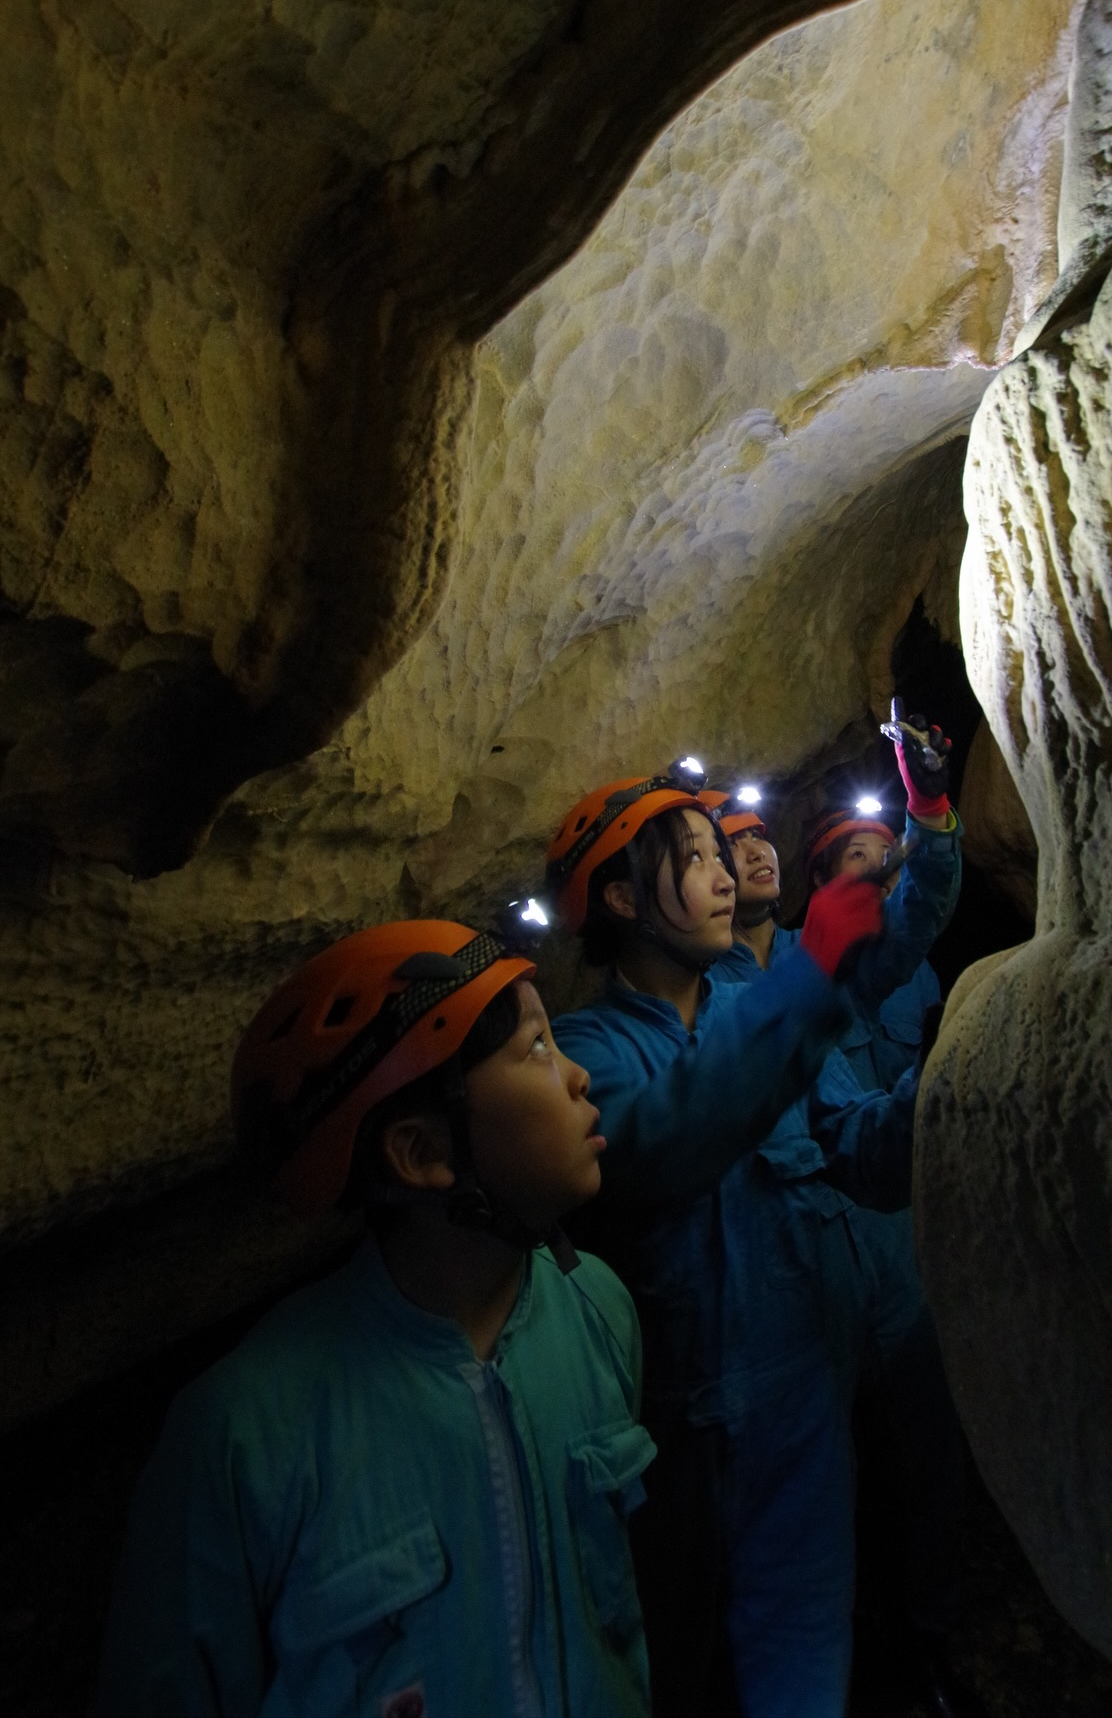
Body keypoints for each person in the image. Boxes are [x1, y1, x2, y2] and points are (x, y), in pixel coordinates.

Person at [99, 918, 655, 1718]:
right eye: (536, 1048)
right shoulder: (243, 1434)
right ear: (423, 1152)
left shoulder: (596, 1309)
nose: (578, 1078)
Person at [545, 766, 914, 1718]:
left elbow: (851, 1148)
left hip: (799, 1398)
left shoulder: (758, 1008)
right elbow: (673, 1135)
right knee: (679, 1673)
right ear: (624, 898)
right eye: (693, 859)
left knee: (804, 1663)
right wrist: (810, 977)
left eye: (720, 855)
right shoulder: (585, 1056)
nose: (721, 875)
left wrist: (948, 1098)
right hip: (672, 1443)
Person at [714, 717, 973, 1718]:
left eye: (751, 837)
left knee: (924, 1471)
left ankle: (926, 1649)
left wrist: (933, 812)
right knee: (808, 1525)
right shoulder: (715, 1007)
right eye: (715, 846)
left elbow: (911, 917)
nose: (749, 854)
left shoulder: (825, 970)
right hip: (784, 1298)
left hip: (882, 1265)